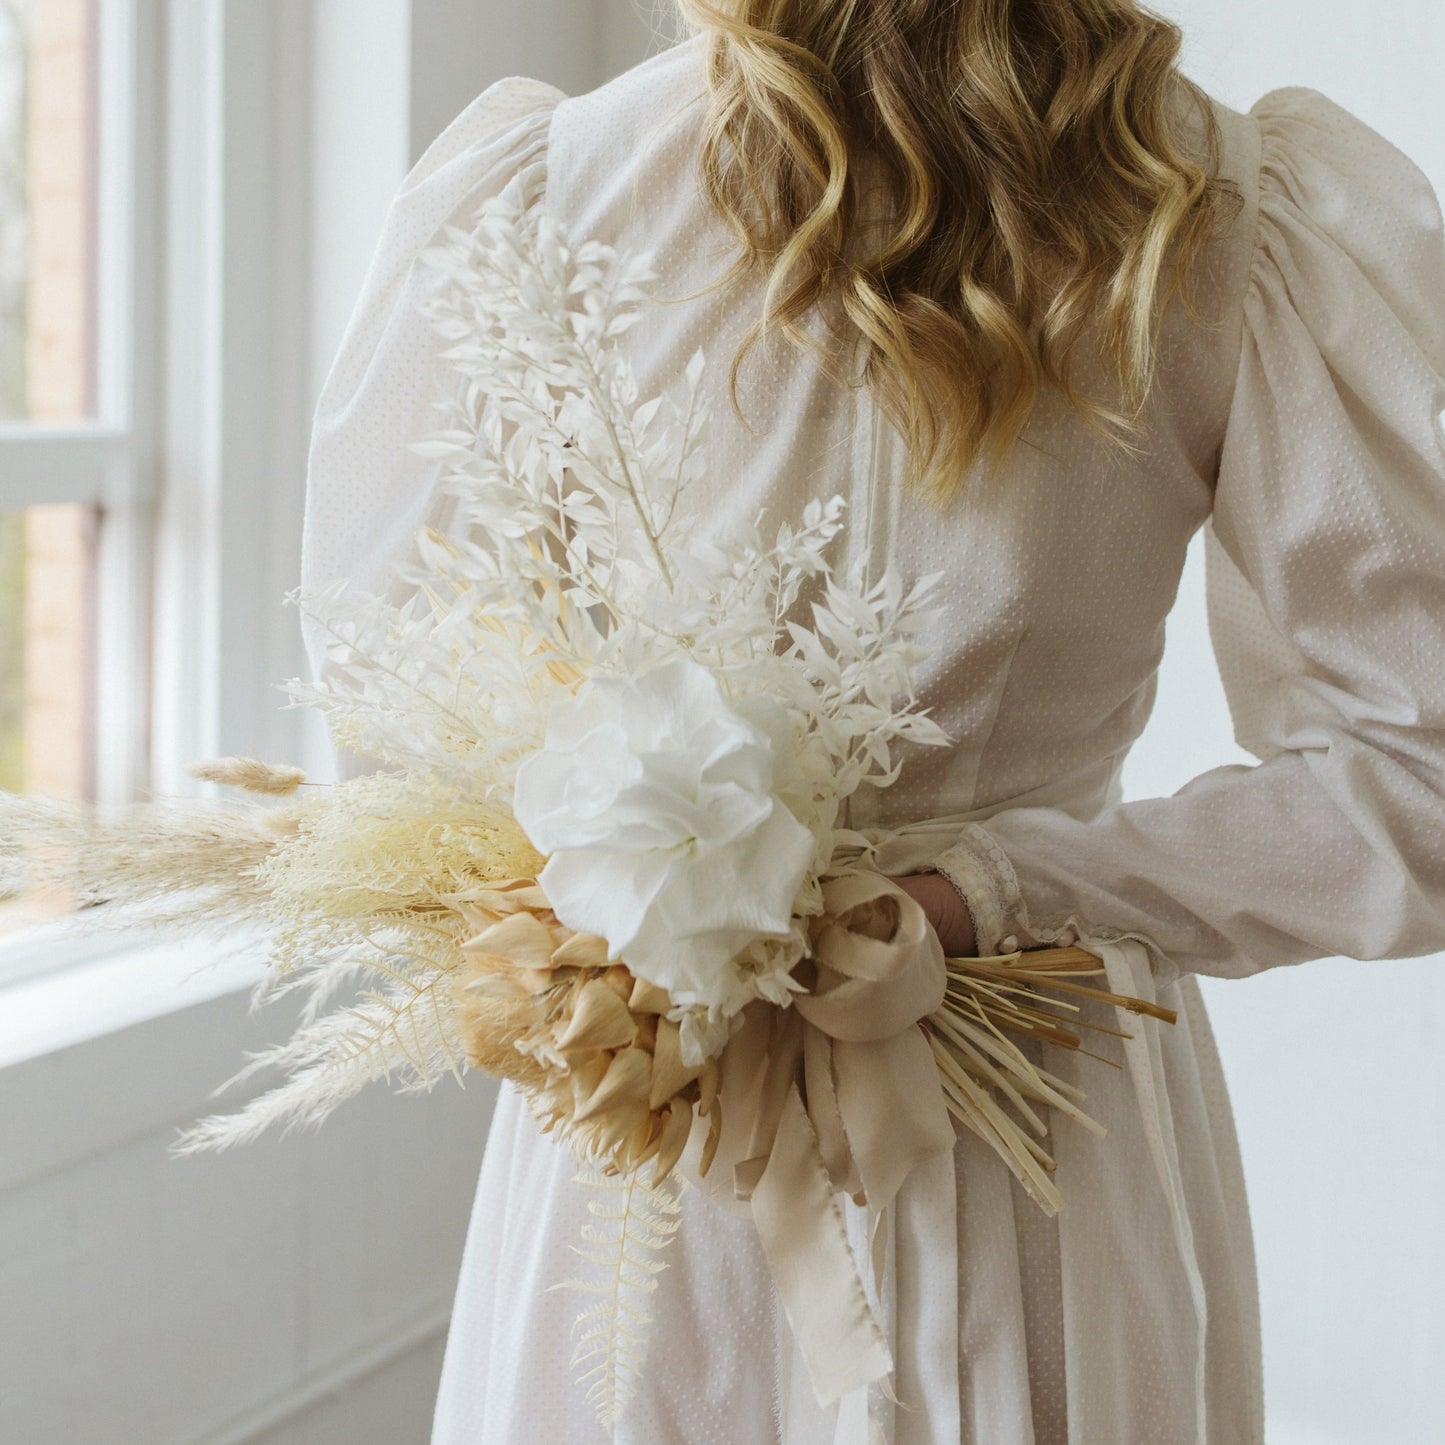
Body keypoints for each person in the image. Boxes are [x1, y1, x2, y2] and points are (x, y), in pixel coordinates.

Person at [300, 3, 1445, 1441]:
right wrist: (1001, 886)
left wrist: (693, 885)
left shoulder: (553, 183)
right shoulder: (1206, 202)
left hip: (712, 1101)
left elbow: (399, 743)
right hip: (944, 1114)